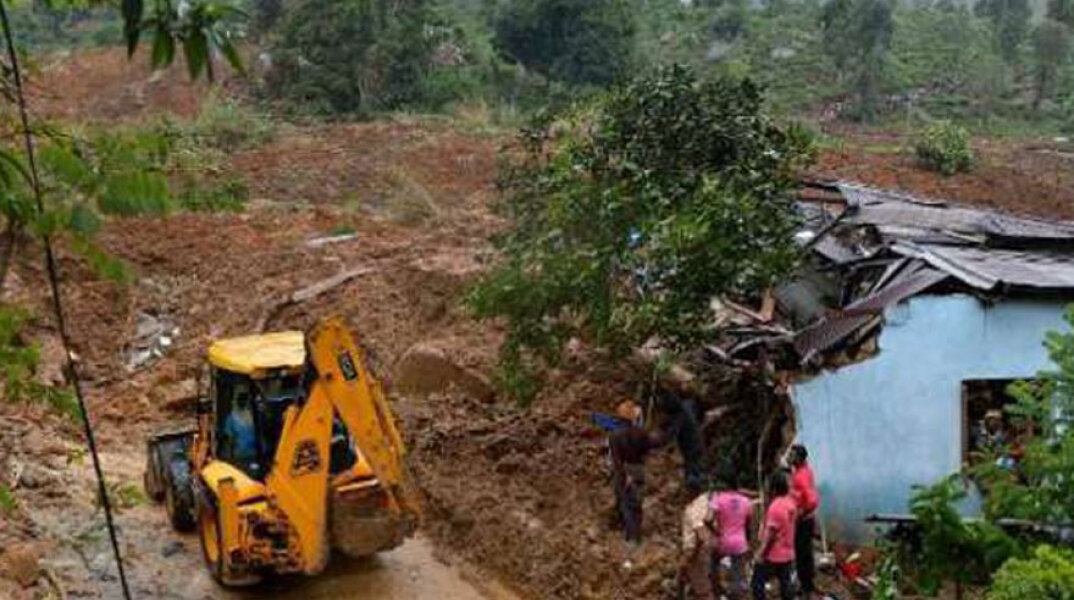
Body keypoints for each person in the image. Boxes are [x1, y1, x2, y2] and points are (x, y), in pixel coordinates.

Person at [609, 400, 663, 544]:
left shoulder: (615, 435)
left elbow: (616, 458)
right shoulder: (640, 433)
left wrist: (624, 474)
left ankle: (631, 536)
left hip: (622, 470)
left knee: (625, 502)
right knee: (634, 503)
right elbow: (652, 445)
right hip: (637, 469)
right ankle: (633, 533)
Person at [752, 471, 797, 600]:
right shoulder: (790, 503)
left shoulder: (775, 507)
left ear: (774, 488)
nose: (766, 489)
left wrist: (761, 554)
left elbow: (770, 536)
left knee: (757, 583)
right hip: (787, 553)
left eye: (768, 486)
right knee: (785, 585)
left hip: (773, 555)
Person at [710, 471, 754, 600]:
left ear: (725, 483)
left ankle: (717, 591)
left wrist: (716, 532)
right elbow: (748, 525)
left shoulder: (718, 498)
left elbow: (708, 519)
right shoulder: (746, 501)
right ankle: (736, 595)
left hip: (723, 541)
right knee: (738, 573)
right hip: (740, 542)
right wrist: (748, 541)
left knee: (713, 563)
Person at [789, 444, 820, 599]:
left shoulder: (802, 476)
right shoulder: (802, 472)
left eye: (792, 455)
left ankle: (806, 587)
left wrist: (801, 514)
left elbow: (812, 501)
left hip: (803, 521)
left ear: (800, 458)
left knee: (802, 554)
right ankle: (807, 585)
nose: (789, 458)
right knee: (804, 553)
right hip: (805, 519)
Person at [680, 490, 717, 600]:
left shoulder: (695, 508)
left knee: (703, 591)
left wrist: (693, 554)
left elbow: (701, 532)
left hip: (696, 551)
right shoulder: (706, 501)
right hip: (704, 549)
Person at [223, 392, 259, 475]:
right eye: (241, 400)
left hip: (252, 454)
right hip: (240, 455)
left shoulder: (254, 415)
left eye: (244, 400)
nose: (243, 402)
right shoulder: (232, 417)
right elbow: (229, 439)